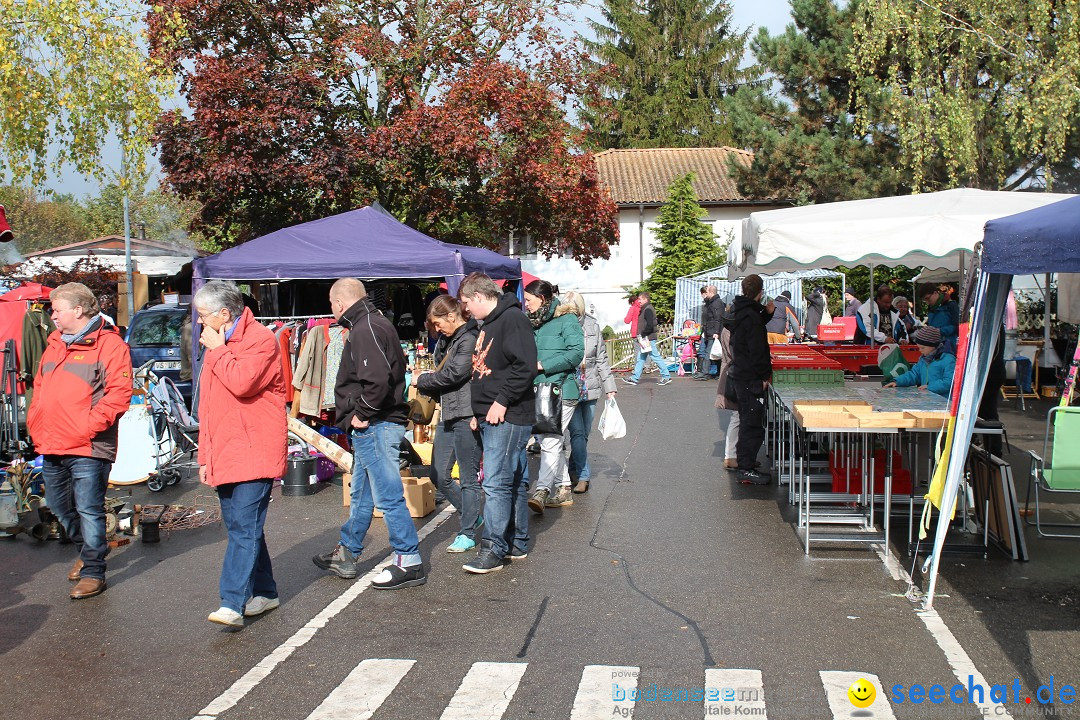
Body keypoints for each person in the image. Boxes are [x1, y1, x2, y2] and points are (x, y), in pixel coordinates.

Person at [313, 278, 426, 590]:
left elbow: (376, 380)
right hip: (375, 422)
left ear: (339, 303)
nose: (332, 310)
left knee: (388, 495)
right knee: (361, 493)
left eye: (332, 304)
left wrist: (361, 413)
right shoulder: (372, 323)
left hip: (376, 423)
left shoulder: (365, 328)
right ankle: (347, 552)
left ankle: (408, 559)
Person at [27, 283, 132, 600]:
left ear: (78, 310)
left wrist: (87, 426)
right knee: (60, 506)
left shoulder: (110, 346)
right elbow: (39, 388)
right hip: (51, 442)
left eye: (57, 309)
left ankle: (93, 573)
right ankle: (88, 552)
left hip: (88, 446)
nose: (53, 315)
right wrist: (35, 423)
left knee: (88, 509)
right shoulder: (54, 343)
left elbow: (119, 395)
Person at [194, 280, 287, 626]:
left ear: (224, 313)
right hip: (226, 448)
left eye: (204, 315)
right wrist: (205, 457)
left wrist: (218, 350)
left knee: (244, 527)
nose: (200, 322)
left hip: (254, 448)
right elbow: (208, 407)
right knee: (242, 527)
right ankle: (266, 591)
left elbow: (243, 383)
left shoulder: (260, 339)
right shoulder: (215, 342)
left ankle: (232, 602)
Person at [458, 273, 538, 573]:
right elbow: (489, 369)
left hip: (509, 414)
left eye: (467, 303)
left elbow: (525, 366)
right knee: (510, 481)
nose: (466, 309)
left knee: (495, 483)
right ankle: (515, 542)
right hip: (493, 415)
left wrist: (501, 401)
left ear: (479, 296)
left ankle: (493, 548)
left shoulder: (512, 320)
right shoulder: (490, 322)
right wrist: (481, 412)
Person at [414, 295, 483, 554]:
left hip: (467, 412)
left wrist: (423, 380)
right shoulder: (448, 339)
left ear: (451, 316)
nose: (436, 329)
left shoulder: (470, 337)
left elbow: (455, 374)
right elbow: (444, 370)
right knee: (437, 474)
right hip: (448, 412)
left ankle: (467, 533)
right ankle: (471, 514)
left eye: (438, 323)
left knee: (467, 478)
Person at [524, 280, 584, 514]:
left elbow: (576, 353)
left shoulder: (566, 319)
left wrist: (542, 365)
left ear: (544, 298)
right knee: (548, 440)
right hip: (538, 390)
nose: (526, 304)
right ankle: (564, 487)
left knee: (549, 439)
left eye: (529, 300)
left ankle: (542, 490)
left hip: (562, 390)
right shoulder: (531, 323)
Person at [560, 291, 615, 494]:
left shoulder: (592, 325)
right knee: (577, 432)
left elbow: (601, 358)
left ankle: (573, 467)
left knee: (584, 433)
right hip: (570, 386)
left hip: (590, 385)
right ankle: (583, 475)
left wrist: (610, 387)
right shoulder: (561, 325)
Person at [729, 275, 773, 485]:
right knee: (751, 423)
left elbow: (751, 328)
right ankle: (745, 467)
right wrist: (765, 376)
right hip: (750, 377)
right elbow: (756, 350)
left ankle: (746, 462)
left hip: (742, 374)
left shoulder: (743, 311)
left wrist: (766, 314)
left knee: (748, 421)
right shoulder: (751, 315)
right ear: (760, 292)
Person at [884, 326, 956, 397]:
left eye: (922, 348)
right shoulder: (923, 360)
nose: (920, 350)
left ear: (933, 346)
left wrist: (929, 387)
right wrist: (897, 382)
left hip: (944, 402)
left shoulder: (948, 360)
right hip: (928, 400)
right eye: (919, 347)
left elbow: (949, 382)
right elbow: (914, 374)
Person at [624, 291, 671, 386]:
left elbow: (650, 325)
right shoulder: (646, 309)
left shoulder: (648, 309)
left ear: (645, 299)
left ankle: (666, 376)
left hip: (648, 338)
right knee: (641, 357)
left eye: (640, 299)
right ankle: (635, 378)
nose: (639, 301)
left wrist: (643, 334)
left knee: (655, 356)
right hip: (646, 337)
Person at [714, 301, 740, 469]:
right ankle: (731, 456)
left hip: (730, 373)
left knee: (737, 417)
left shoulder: (727, 327)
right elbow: (735, 354)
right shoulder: (731, 330)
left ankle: (733, 455)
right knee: (737, 417)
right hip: (734, 375)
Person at [694, 285, 725, 379]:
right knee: (713, 352)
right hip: (709, 330)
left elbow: (718, 318)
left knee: (710, 352)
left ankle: (705, 373)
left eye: (707, 291)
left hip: (713, 331)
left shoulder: (716, 303)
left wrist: (716, 331)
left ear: (711, 292)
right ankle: (715, 373)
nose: (705, 293)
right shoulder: (711, 303)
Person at [922, 285, 960, 352]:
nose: (927, 302)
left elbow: (958, 326)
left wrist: (940, 331)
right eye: (925, 300)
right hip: (935, 347)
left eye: (928, 298)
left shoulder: (951, 305)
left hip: (950, 347)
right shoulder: (931, 309)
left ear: (935, 293)